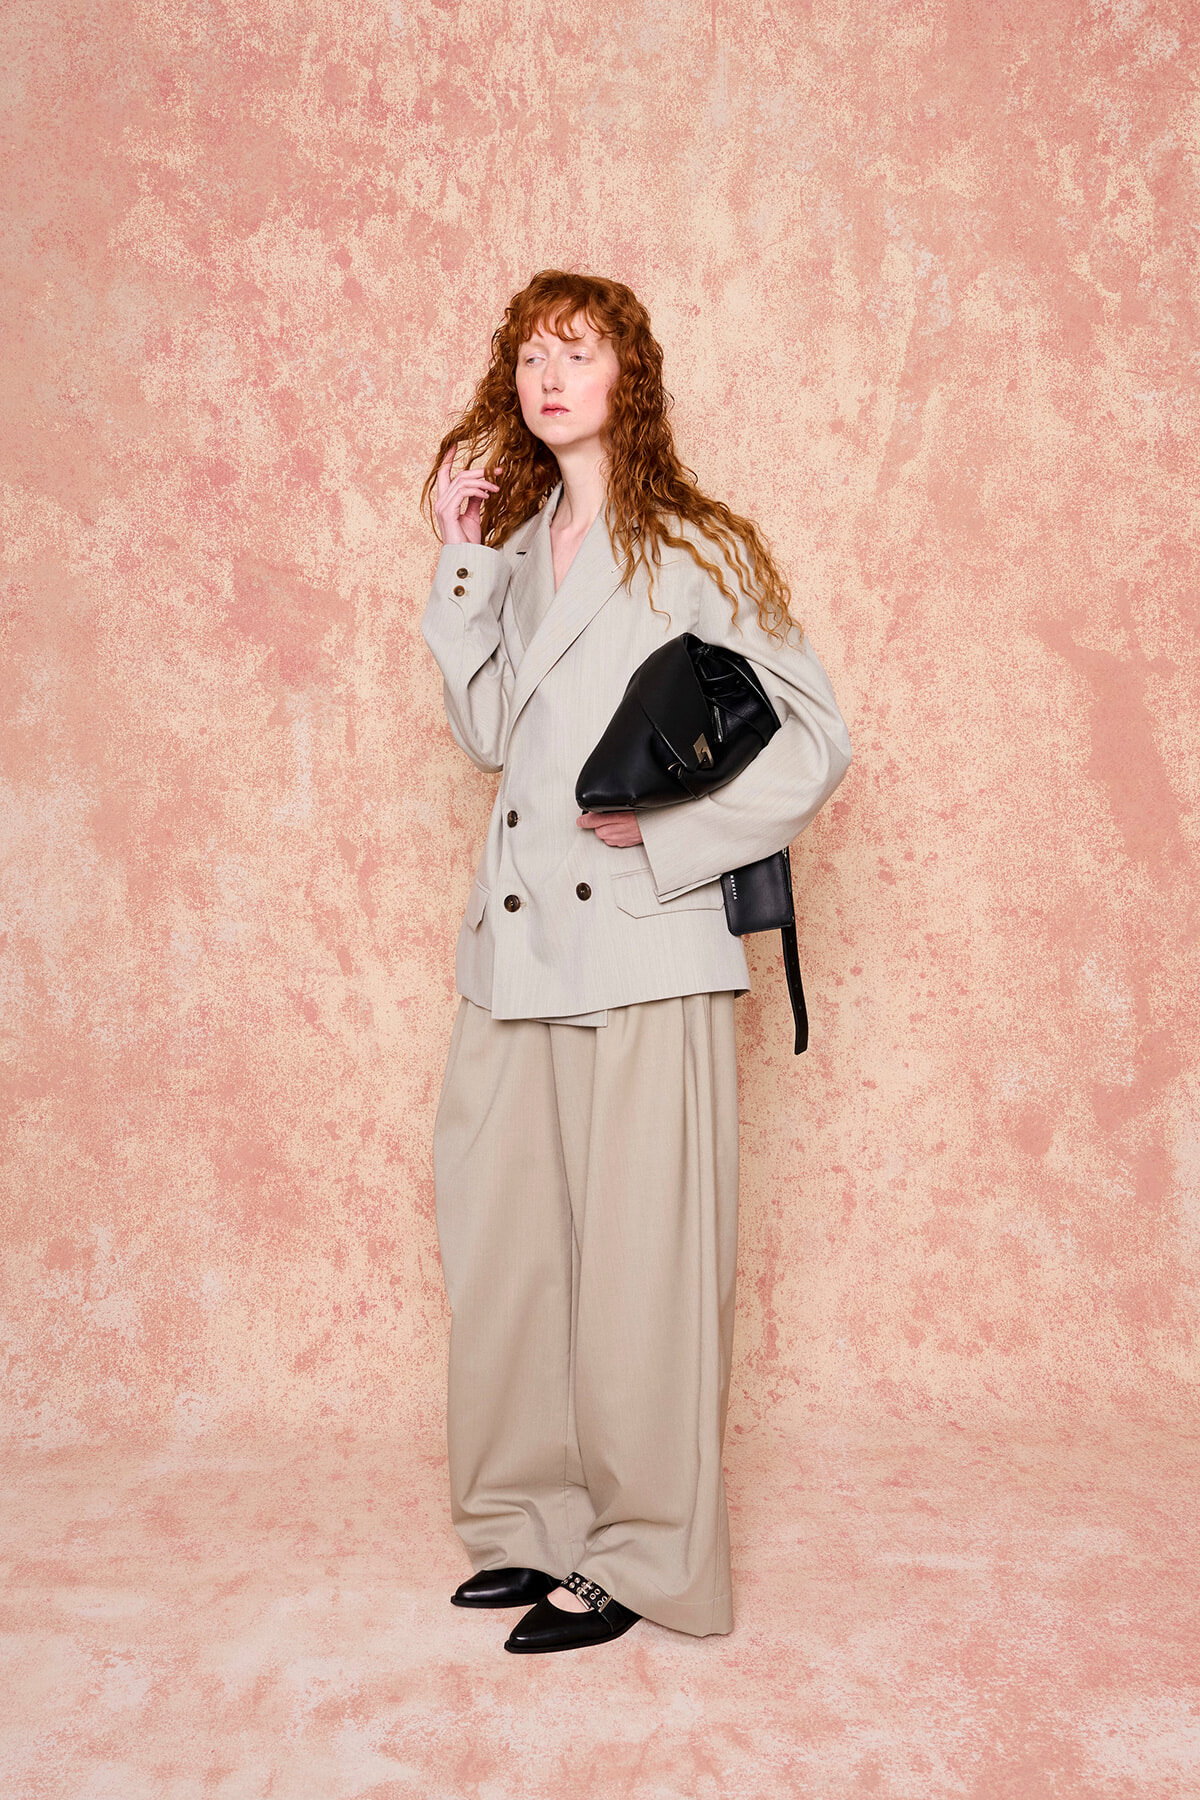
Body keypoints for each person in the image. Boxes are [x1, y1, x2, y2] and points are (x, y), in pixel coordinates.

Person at [419, 270, 851, 1655]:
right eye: (532, 356)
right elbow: (492, 733)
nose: (550, 378)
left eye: (579, 355)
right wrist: (463, 561)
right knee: (508, 1245)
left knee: (641, 1266)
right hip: (519, 954)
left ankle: (649, 1554)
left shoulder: (694, 548)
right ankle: (532, 1520)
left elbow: (815, 742)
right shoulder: (528, 534)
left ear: (630, 382)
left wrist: (677, 850)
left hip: (648, 948)